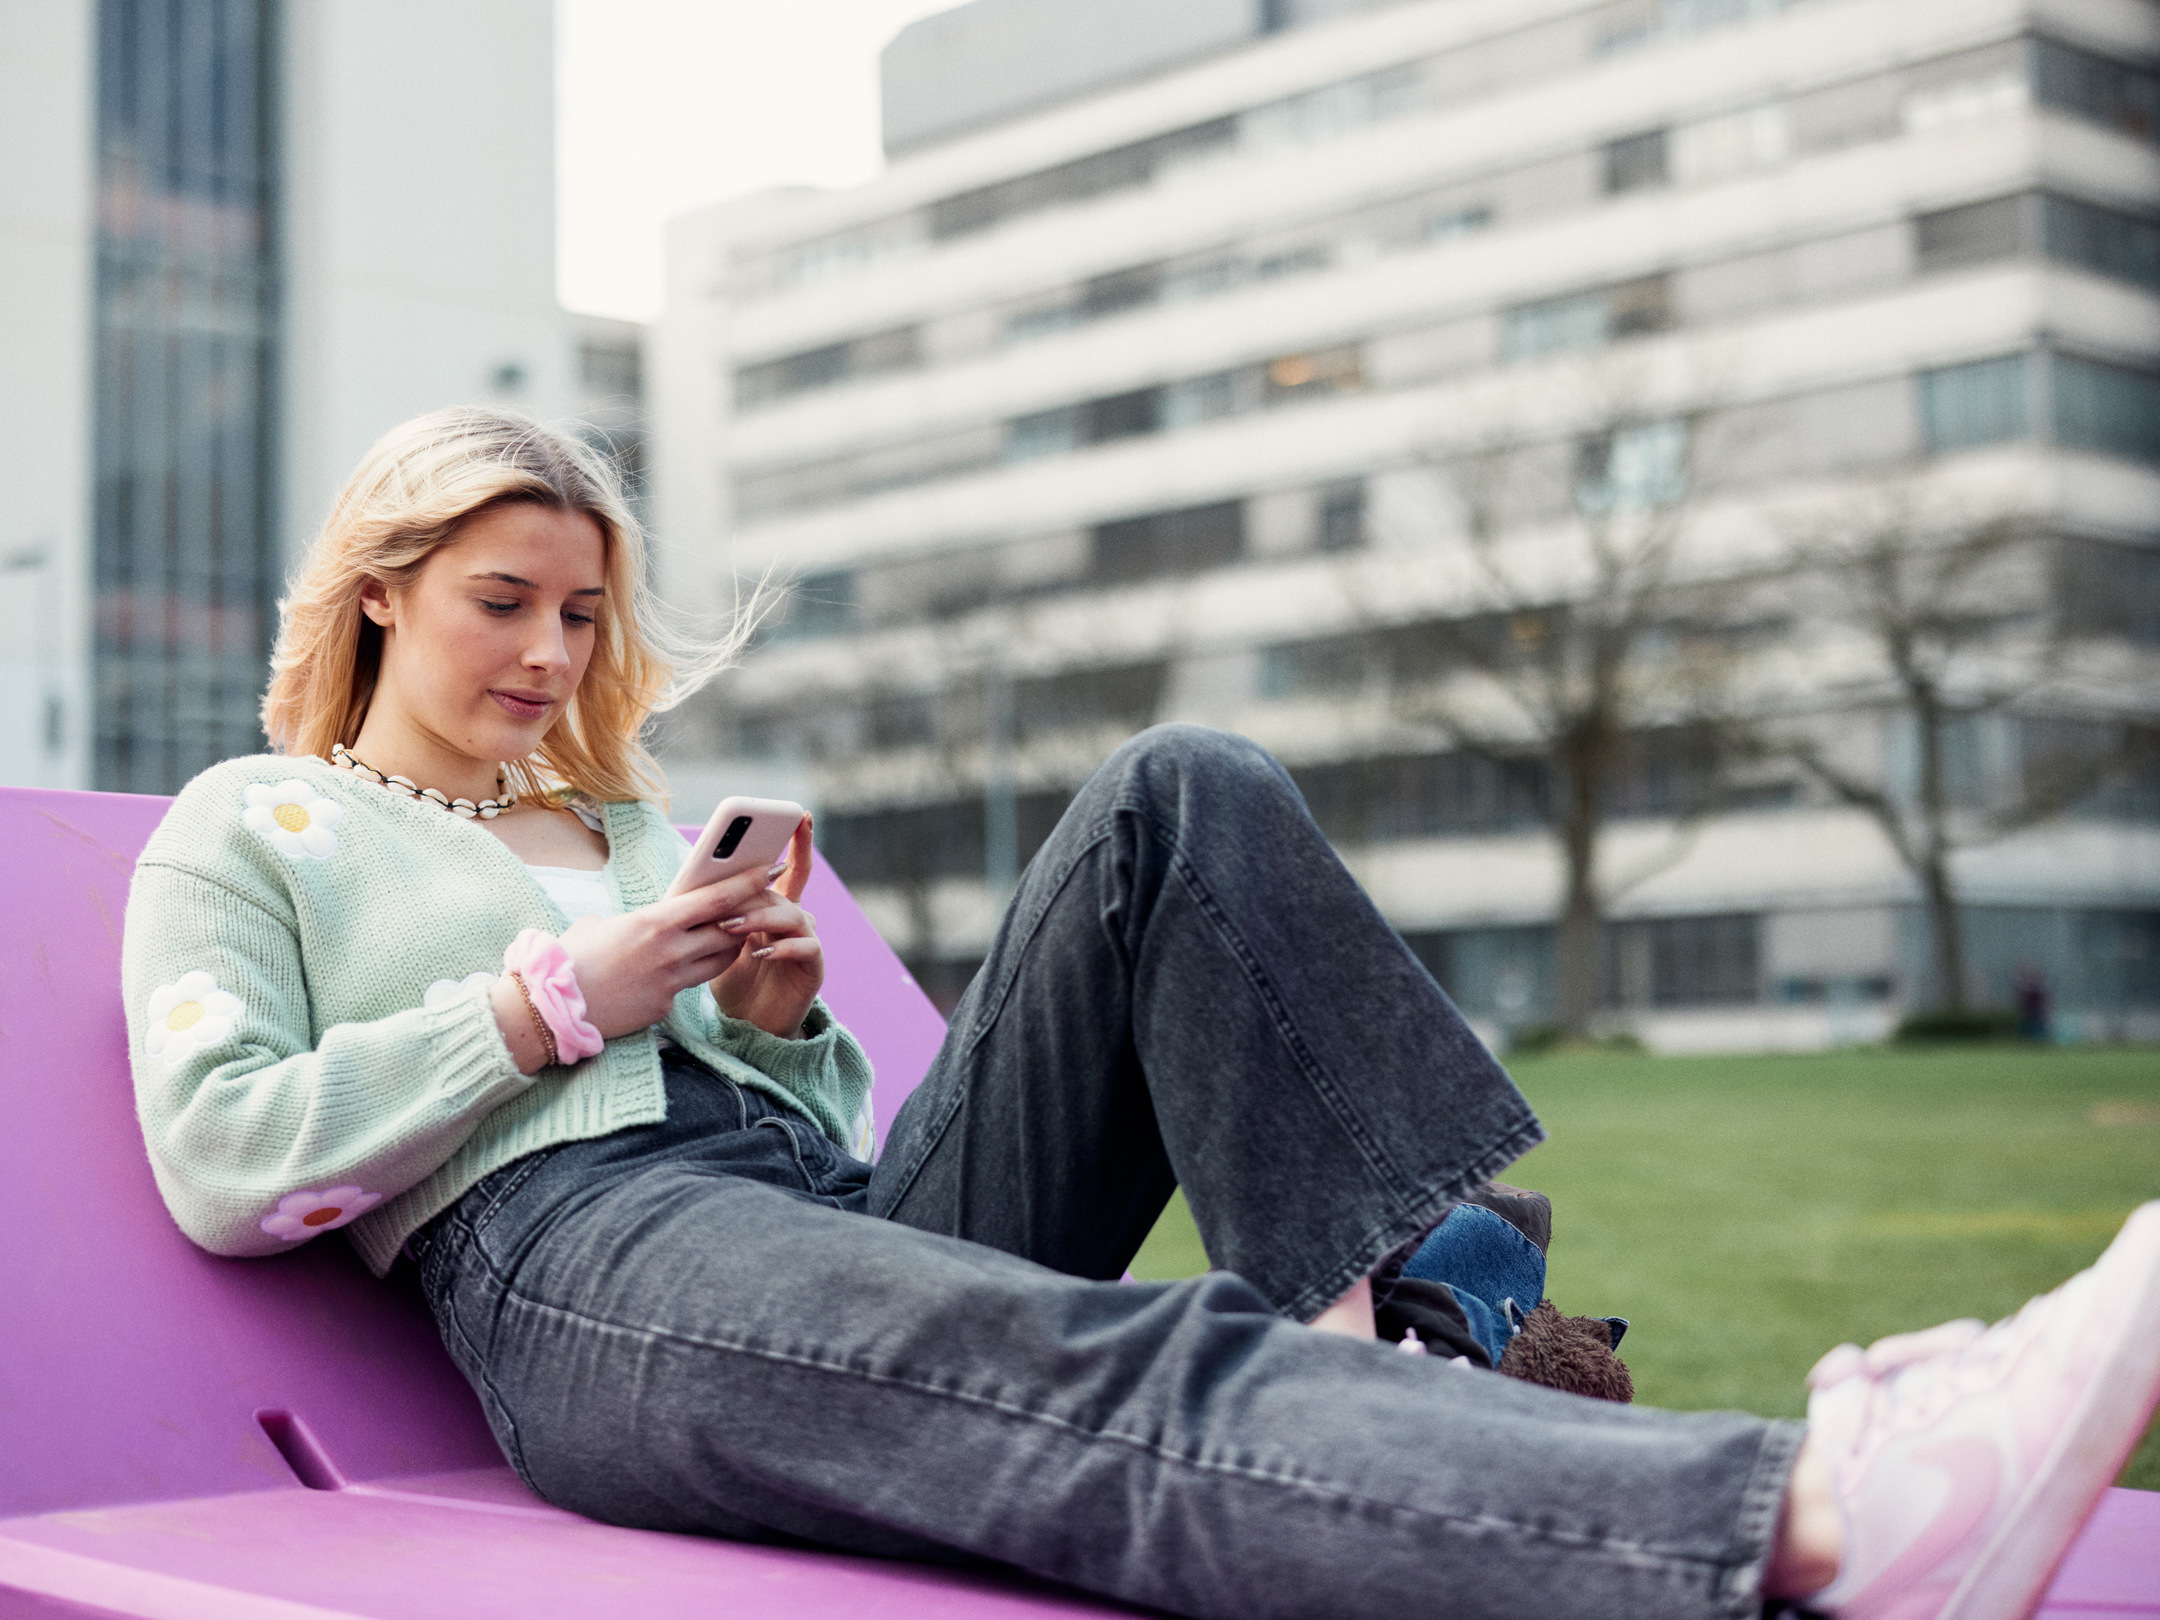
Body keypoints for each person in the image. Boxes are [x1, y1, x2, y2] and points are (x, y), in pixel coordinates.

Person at [122, 407, 2160, 1620]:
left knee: (1176, 792)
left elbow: (794, 1118)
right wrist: (559, 997)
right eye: (506, 603)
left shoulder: (619, 812)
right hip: (579, 1264)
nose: (558, 656)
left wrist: (780, 1002)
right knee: (1112, 1361)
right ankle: (1822, 1523)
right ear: (382, 588)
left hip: (806, 1201)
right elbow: (228, 1153)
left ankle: (1440, 1324)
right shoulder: (261, 822)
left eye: (582, 614)